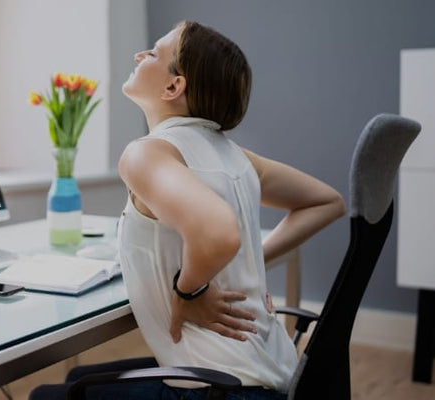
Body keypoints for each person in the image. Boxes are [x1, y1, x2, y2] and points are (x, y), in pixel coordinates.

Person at [30, 20, 345, 400]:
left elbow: (218, 233)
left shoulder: (145, 153)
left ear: (173, 86)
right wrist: (246, 263)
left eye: (154, 53)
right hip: (277, 379)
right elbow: (328, 201)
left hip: (218, 391)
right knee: (77, 377)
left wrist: (189, 292)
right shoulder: (236, 156)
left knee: (44, 396)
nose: (139, 55)